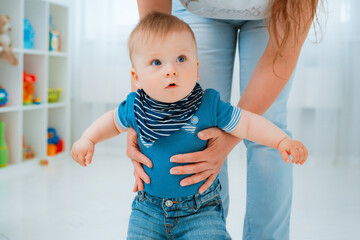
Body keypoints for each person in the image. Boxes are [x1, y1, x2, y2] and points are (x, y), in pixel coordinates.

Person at [71, 12, 308, 239]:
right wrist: (88, 138)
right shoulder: (135, 107)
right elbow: (111, 122)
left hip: (200, 210)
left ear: (196, 68)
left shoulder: (208, 105)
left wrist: (280, 140)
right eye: (156, 62)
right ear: (136, 77)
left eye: (181, 59)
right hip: (147, 210)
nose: (171, 69)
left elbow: (248, 123)